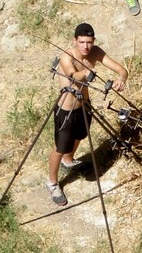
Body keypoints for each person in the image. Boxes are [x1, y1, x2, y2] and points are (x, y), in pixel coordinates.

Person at [46, 23, 128, 206]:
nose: (85, 47)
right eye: (82, 42)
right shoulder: (66, 57)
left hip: (84, 106)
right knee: (60, 147)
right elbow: (72, 75)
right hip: (66, 110)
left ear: (93, 41)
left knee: (80, 136)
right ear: (74, 40)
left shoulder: (96, 52)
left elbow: (121, 69)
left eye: (89, 42)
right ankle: (52, 182)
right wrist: (86, 72)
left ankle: (69, 161)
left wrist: (121, 78)